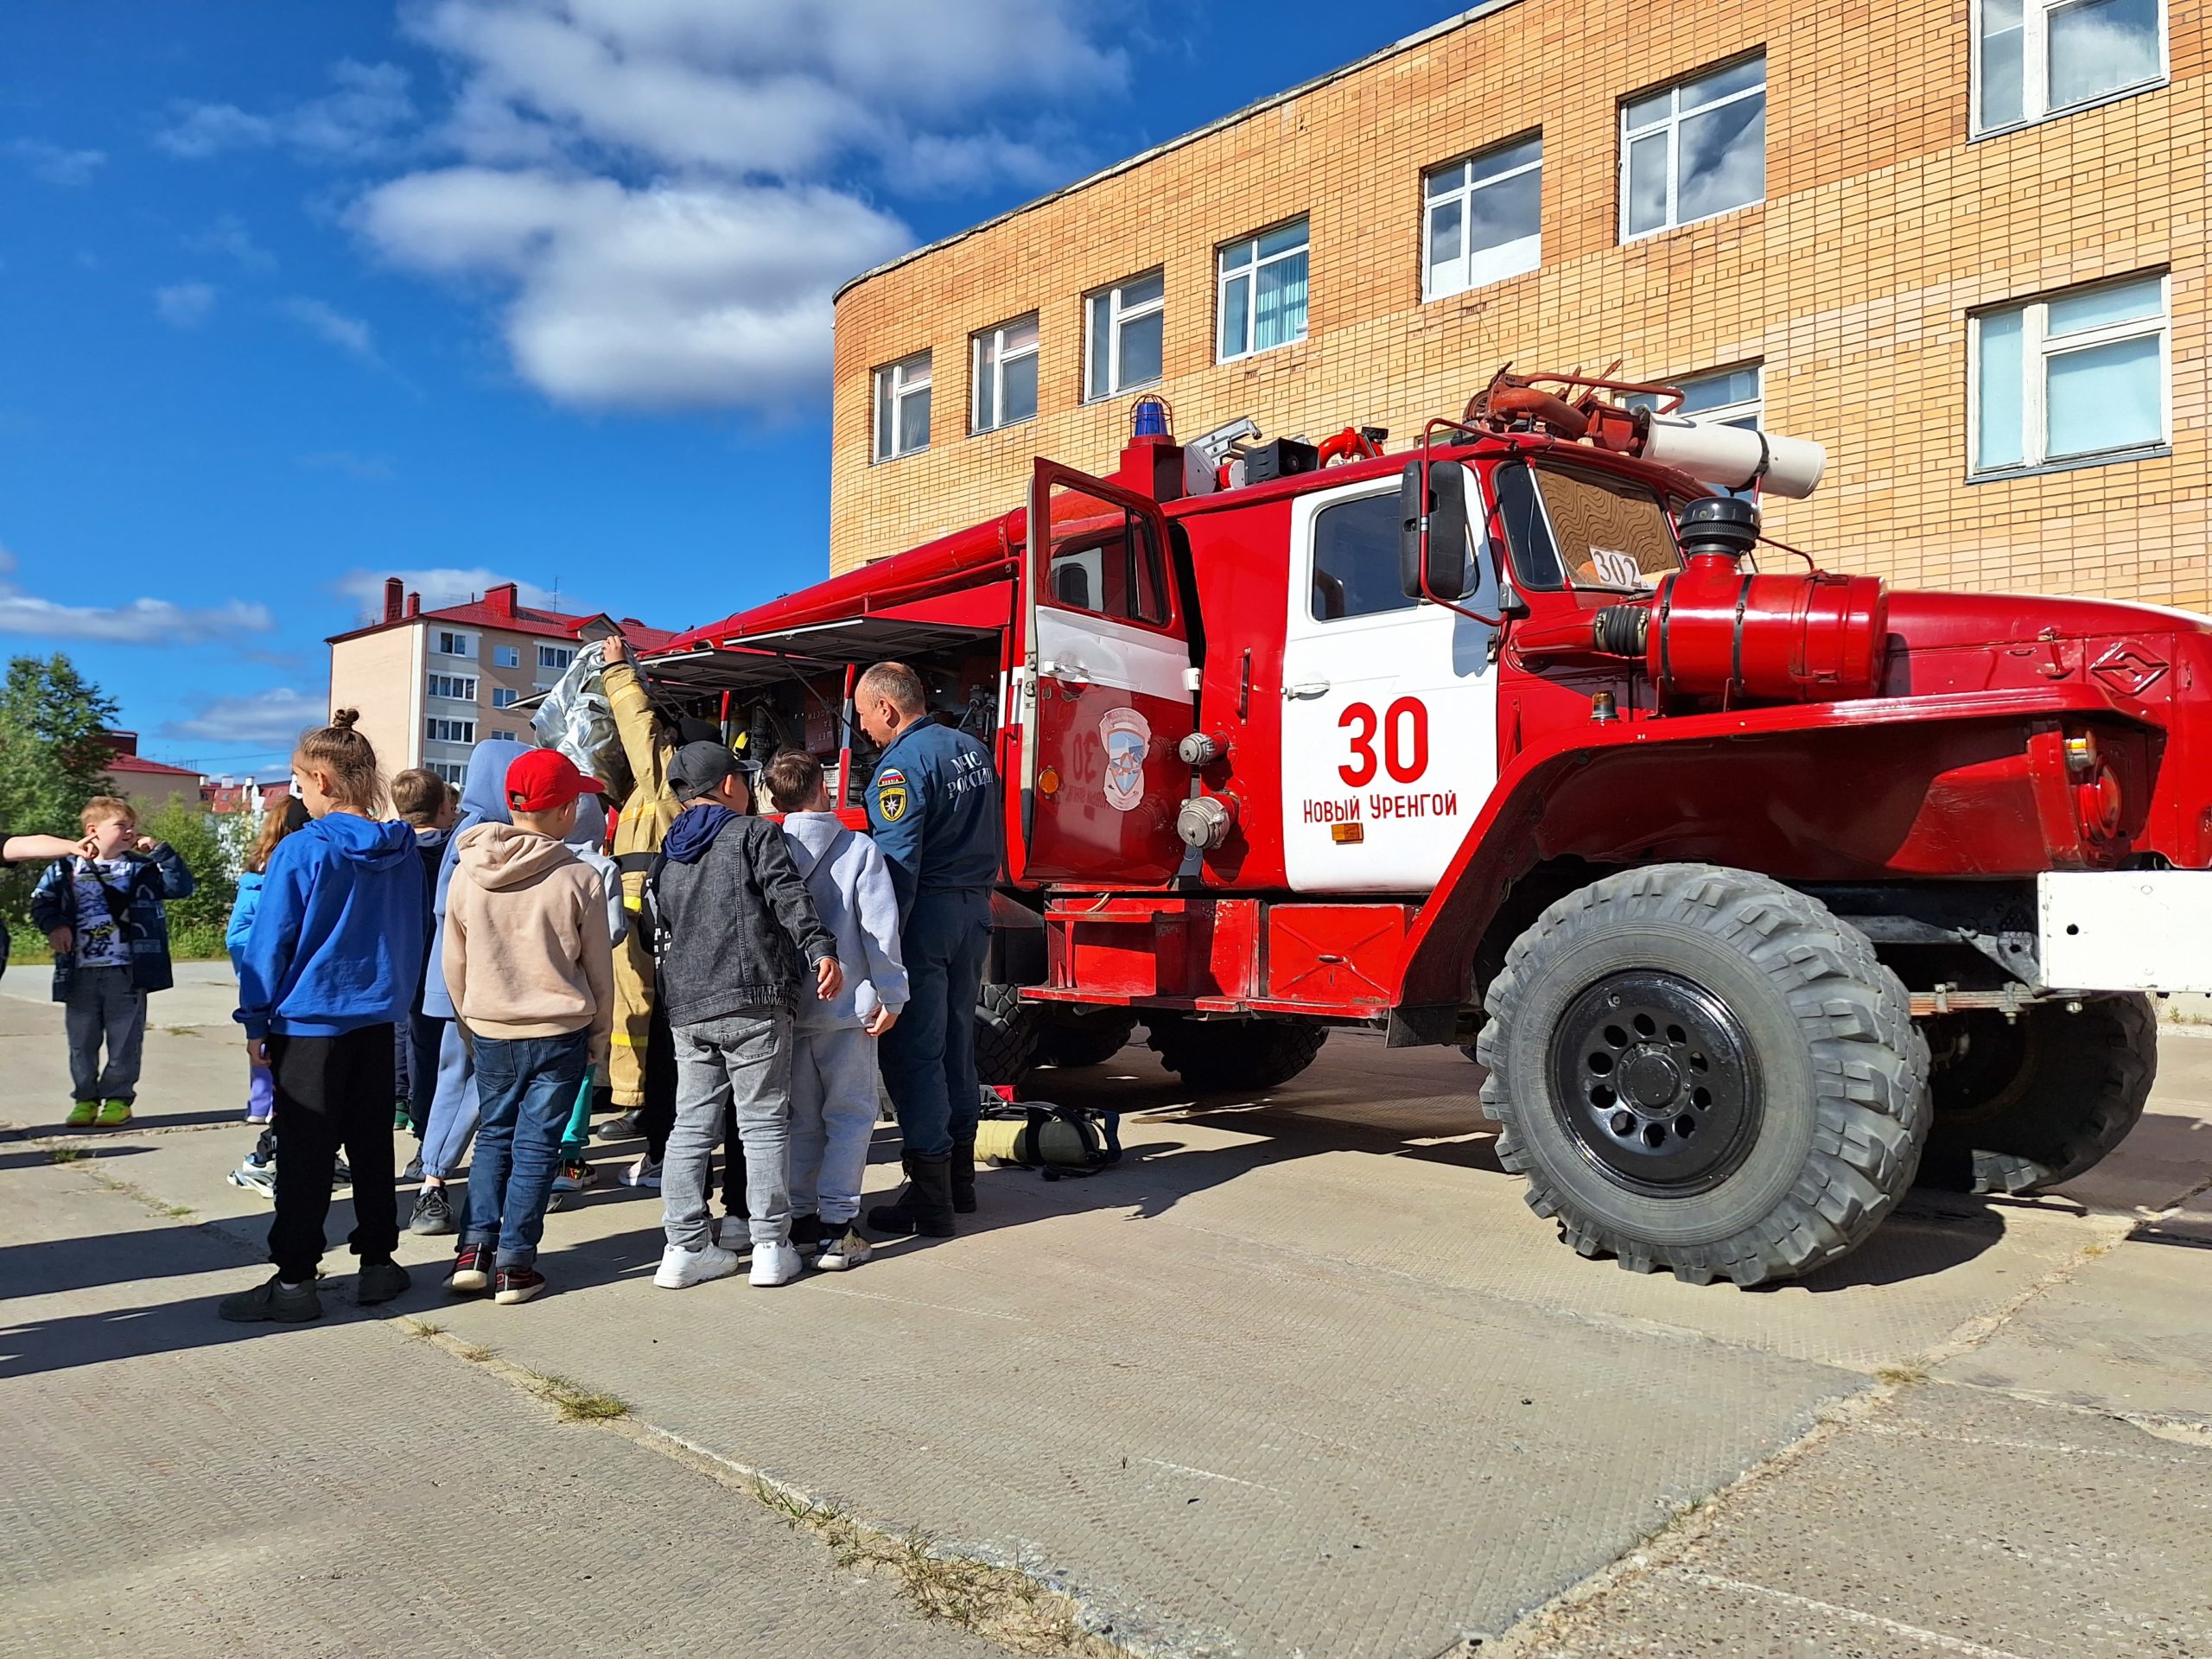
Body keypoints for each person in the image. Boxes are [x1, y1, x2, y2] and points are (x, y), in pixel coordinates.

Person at [219, 710, 427, 1323]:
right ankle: (377, 1265)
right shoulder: (405, 850)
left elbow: (270, 943)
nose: (298, 797)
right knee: (370, 1146)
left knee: (306, 1155)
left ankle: (294, 1281)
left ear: (324, 781)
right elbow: (415, 931)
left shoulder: (302, 850)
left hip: (309, 1024)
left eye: (300, 785)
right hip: (377, 1019)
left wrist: (256, 1021)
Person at [648, 741, 840, 1290]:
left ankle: (683, 1250)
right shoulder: (754, 834)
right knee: (761, 1124)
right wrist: (820, 949)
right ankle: (770, 1248)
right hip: (753, 998)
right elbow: (789, 897)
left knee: (690, 1126)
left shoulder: (670, 851)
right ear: (729, 785)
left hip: (688, 1007)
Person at [440, 749, 614, 1306]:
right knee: (538, 1145)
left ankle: (473, 1250)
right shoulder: (578, 876)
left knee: (494, 1134)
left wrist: (471, 1018)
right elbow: (598, 968)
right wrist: (600, 1032)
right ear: (565, 811)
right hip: (560, 1027)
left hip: (492, 1025)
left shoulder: (468, 873)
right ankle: (516, 1264)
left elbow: (454, 960)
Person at [853, 662, 997, 1238]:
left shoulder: (901, 767)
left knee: (915, 1054)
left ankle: (930, 1197)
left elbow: (897, 869)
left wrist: (878, 950)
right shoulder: (971, 748)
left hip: (926, 918)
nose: (864, 729)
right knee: (959, 1046)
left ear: (888, 708)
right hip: (974, 912)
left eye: (865, 716)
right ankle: (960, 1180)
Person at [763, 749, 906, 1272]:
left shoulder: (767, 846)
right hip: (851, 1008)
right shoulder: (859, 849)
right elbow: (878, 930)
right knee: (849, 1117)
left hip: (788, 1008)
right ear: (825, 788)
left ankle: (801, 1218)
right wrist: (892, 995)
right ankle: (837, 1226)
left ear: (773, 799)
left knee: (800, 1119)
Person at [410, 737, 531, 1235]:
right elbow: (453, 919)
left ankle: (440, 1182)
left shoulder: (468, 832)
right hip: (481, 985)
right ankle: (436, 1185)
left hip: (464, 983)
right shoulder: (487, 839)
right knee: (468, 1085)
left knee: (465, 1085)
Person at [30, 795, 197, 1128]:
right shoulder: (65, 868)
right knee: (82, 1040)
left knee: (124, 1039)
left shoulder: (142, 868)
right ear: (93, 830)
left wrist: (162, 853)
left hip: (127, 968)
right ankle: (85, 1099)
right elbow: (41, 903)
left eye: (133, 826)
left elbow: (181, 888)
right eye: (121, 825)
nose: (131, 831)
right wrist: (56, 926)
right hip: (78, 969)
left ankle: (119, 1099)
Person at [601, 633, 689, 1185]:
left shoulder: (664, 781)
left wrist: (618, 675)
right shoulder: (639, 795)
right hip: (636, 918)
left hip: (655, 920)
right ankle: (637, 1099)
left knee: (653, 1020)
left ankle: (648, 1111)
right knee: (633, 1011)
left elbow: (638, 730)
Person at [548, 790, 626, 1207]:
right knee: (581, 1071)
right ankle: (570, 1160)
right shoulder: (600, 867)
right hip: (582, 986)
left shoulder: (532, 858)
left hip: (534, 987)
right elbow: (613, 930)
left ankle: (533, 1159)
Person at [390, 768, 457, 1141]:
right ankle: (424, 1120)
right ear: (444, 806)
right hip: (441, 954)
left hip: (400, 955)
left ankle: (401, 1102)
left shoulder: (388, 850)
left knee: (404, 1030)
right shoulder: (453, 850)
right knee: (430, 1040)